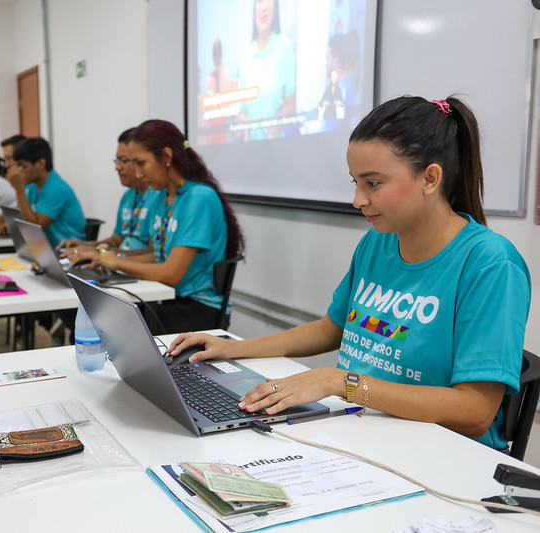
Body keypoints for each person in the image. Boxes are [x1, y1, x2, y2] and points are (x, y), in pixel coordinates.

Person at [169, 96, 531, 451]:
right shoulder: (378, 242)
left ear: (430, 178)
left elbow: (475, 411)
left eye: (372, 183)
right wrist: (234, 348)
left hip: (439, 454)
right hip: (363, 433)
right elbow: (332, 328)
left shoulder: (490, 264)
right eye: (355, 182)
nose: (358, 199)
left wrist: (341, 382)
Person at [74, 120, 245, 334]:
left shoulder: (198, 198)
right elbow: (158, 254)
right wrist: (106, 257)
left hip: (197, 306)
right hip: (167, 296)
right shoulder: (161, 196)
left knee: (110, 328)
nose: (137, 174)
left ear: (166, 157)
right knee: (102, 316)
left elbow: (171, 273)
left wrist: (118, 261)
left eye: (141, 163)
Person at [58, 128, 158, 253]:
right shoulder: (128, 196)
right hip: (120, 265)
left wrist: (109, 256)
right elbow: (116, 241)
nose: (117, 167)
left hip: (136, 268)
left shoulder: (158, 196)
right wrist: (87, 247)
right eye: (117, 161)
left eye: (124, 161)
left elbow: (154, 253)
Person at [8, 137, 86, 247]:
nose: (19, 171)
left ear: (41, 163)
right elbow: (23, 214)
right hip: (43, 249)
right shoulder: (33, 186)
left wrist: (19, 190)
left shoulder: (56, 188)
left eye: (23, 166)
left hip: (66, 250)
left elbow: (36, 227)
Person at [237, 0, 296, 140]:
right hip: (250, 149)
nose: (263, 8)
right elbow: (241, 111)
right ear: (254, 10)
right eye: (259, 2)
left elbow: (290, 104)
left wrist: (275, 126)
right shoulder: (246, 55)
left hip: (276, 147)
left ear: (275, 8)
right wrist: (244, 126)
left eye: (268, 2)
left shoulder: (284, 47)